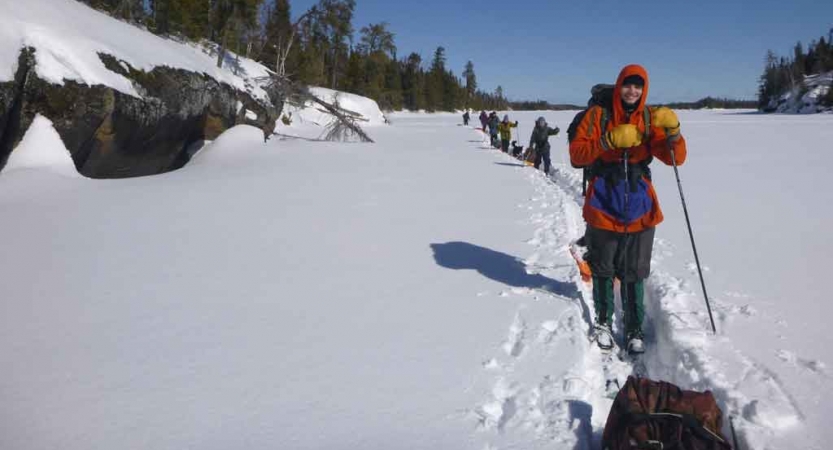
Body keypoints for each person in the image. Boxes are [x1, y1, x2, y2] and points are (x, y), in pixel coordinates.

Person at [569, 64, 686, 354]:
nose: (632, 91)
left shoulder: (650, 118)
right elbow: (576, 155)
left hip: (639, 202)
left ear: (644, 89)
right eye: (628, 85)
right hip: (603, 200)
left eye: (638, 86)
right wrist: (608, 140)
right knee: (603, 267)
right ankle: (603, 322)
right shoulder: (598, 115)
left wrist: (673, 131)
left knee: (635, 270)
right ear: (619, 85)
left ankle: (634, 327)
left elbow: (675, 158)